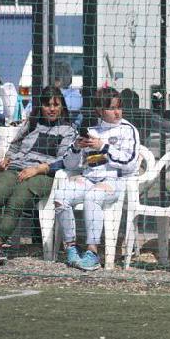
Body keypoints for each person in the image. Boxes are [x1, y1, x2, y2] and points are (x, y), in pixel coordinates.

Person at [0, 87, 81, 266]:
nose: (52, 109)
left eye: (56, 105)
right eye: (47, 105)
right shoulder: (31, 123)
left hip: (45, 175)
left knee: (16, 200)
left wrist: (39, 169)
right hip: (17, 168)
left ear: (62, 106)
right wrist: (7, 158)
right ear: (40, 106)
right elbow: (15, 146)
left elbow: (66, 161)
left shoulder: (69, 130)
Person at [51, 87, 140, 271]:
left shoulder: (127, 130)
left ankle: (92, 253)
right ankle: (71, 249)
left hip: (114, 180)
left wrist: (104, 147)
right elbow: (69, 165)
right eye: (112, 108)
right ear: (99, 110)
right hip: (88, 177)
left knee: (92, 196)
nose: (117, 112)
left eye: (119, 107)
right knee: (60, 196)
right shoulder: (91, 130)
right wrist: (76, 147)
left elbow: (130, 163)